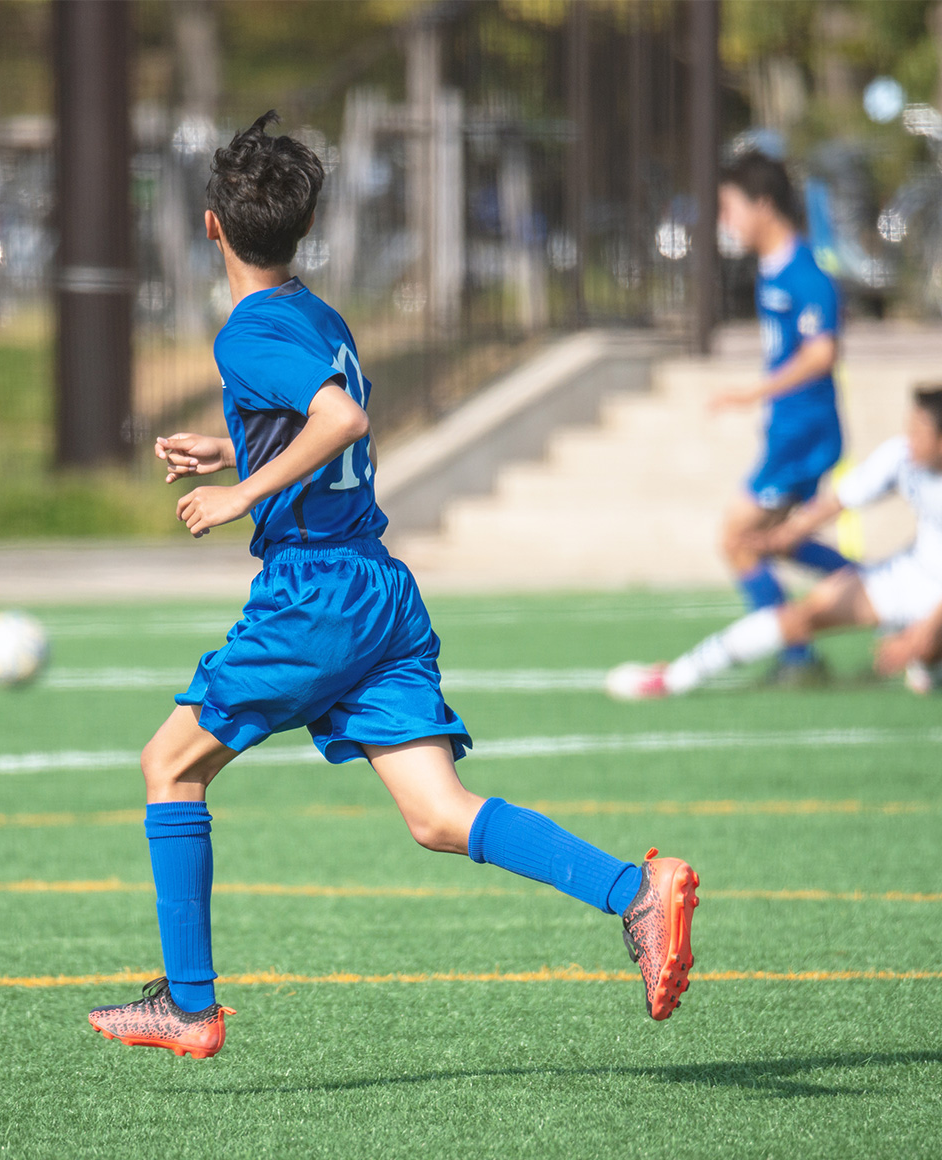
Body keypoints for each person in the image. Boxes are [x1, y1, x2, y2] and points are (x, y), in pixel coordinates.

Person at [86, 112, 699, 1058]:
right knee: (439, 815)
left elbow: (340, 422)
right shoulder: (319, 316)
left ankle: (190, 1008)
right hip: (379, 591)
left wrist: (240, 494)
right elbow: (319, 425)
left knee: (169, 766)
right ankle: (635, 892)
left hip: (316, 597)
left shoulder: (246, 333)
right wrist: (234, 446)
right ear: (305, 227)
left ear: (211, 227)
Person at [607, 387, 942, 700]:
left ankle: (927, 659)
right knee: (802, 615)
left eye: (918, 433)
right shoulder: (901, 456)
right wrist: (781, 536)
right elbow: (837, 501)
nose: (909, 440)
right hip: (912, 573)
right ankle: (676, 677)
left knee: (928, 651)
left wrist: (924, 633)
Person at [709, 150, 854, 685]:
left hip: (803, 434)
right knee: (780, 541)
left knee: (737, 537)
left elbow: (822, 353)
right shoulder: (771, 269)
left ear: (763, 205)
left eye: (730, 207)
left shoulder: (804, 274)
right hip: (789, 431)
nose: (726, 221)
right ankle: (888, 594)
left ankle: (798, 654)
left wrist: (754, 391)